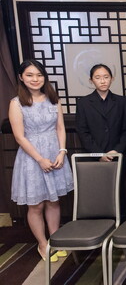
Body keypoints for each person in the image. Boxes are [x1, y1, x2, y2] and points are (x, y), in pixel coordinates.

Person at [9, 60, 74, 263]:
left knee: (54, 201)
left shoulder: (53, 99)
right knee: (36, 204)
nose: (35, 79)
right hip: (32, 158)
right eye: (29, 75)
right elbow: (19, 137)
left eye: (39, 75)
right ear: (21, 77)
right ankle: (42, 244)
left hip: (55, 153)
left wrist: (62, 152)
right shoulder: (16, 103)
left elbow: (60, 128)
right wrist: (39, 159)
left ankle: (56, 240)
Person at [76, 64, 126, 161]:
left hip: (118, 155)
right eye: (98, 78)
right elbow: (82, 132)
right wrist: (99, 154)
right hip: (93, 156)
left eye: (106, 77)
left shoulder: (122, 101)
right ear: (91, 81)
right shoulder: (83, 103)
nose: (103, 81)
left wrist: (117, 150)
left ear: (112, 79)